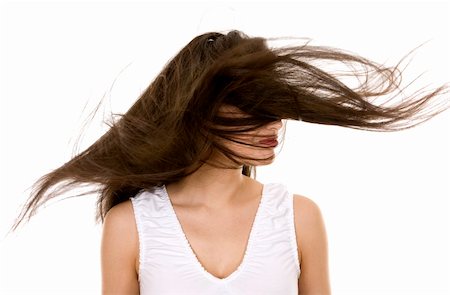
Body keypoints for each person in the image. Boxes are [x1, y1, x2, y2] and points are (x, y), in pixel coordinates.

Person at [11, 30, 448, 294]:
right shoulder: (130, 225)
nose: (274, 122)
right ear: (198, 111)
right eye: (252, 107)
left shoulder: (299, 217)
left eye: (276, 106)